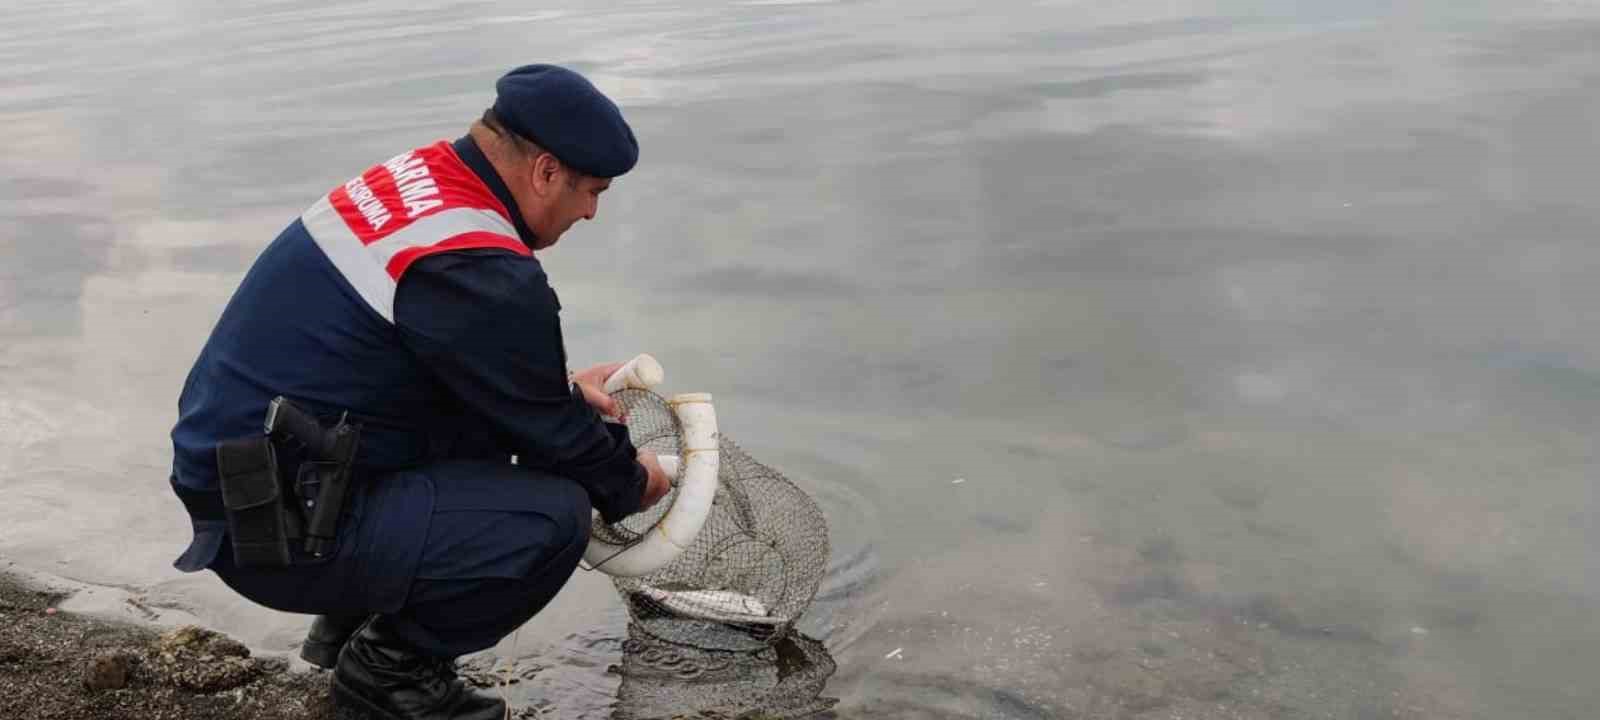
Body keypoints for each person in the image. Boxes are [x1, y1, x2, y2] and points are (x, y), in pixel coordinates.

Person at [168, 64, 672, 720]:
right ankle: (388, 675)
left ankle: (346, 626)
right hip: (272, 530)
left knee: (490, 438)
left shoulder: (421, 180)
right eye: (590, 191)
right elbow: (555, 440)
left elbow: (463, 373)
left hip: (240, 475)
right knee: (555, 518)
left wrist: (556, 396)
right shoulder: (479, 266)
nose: (590, 212)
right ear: (546, 170)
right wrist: (634, 481)